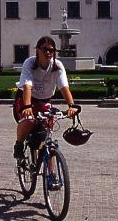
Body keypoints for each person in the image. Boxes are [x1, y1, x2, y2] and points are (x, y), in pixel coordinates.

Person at [13, 36, 79, 187]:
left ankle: (52, 175)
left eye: (51, 50)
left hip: (44, 101)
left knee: (48, 138)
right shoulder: (30, 63)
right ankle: (18, 145)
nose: (48, 52)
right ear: (37, 50)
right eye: (45, 49)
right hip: (26, 99)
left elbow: (64, 87)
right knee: (29, 120)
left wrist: (72, 105)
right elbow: (27, 86)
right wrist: (27, 107)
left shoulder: (57, 65)